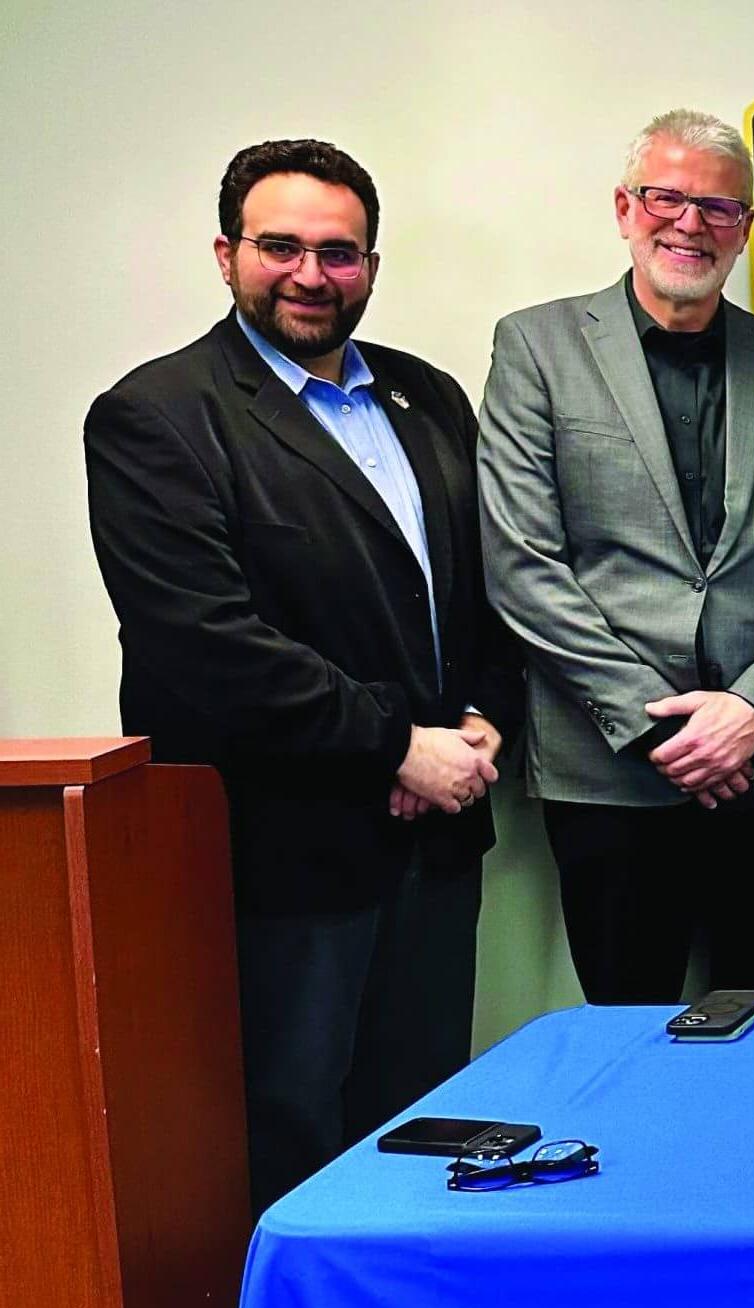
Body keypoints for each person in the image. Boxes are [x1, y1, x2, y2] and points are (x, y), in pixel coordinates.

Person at [84, 139, 524, 1210]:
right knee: (289, 1140)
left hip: (432, 845)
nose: (310, 275)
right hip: (282, 859)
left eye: (340, 252)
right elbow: (206, 644)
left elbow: (483, 588)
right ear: (227, 253)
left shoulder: (426, 396)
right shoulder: (159, 415)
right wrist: (393, 745)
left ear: (371, 263)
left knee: (424, 1132)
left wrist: (479, 721)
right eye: (281, 247)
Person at [479, 109, 754, 1006]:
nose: (690, 223)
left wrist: (749, 713)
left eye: (719, 208)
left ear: (745, 231)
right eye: (667, 198)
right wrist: (666, 729)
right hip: (610, 768)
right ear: (625, 207)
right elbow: (522, 564)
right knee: (627, 1035)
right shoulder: (537, 347)